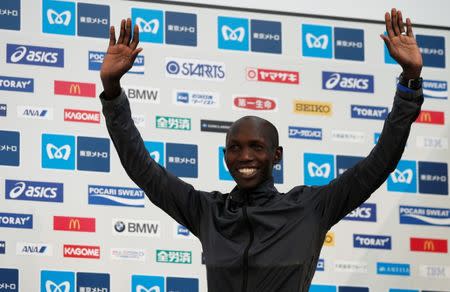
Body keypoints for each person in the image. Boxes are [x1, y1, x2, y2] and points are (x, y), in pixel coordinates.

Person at [100, 8, 423, 292]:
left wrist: (409, 80)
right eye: (234, 148)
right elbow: (142, 168)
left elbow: (381, 161)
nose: (244, 157)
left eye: (256, 147)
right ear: (225, 155)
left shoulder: (310, 208)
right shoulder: (207, 212)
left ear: (277, 155)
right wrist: (112, 90)